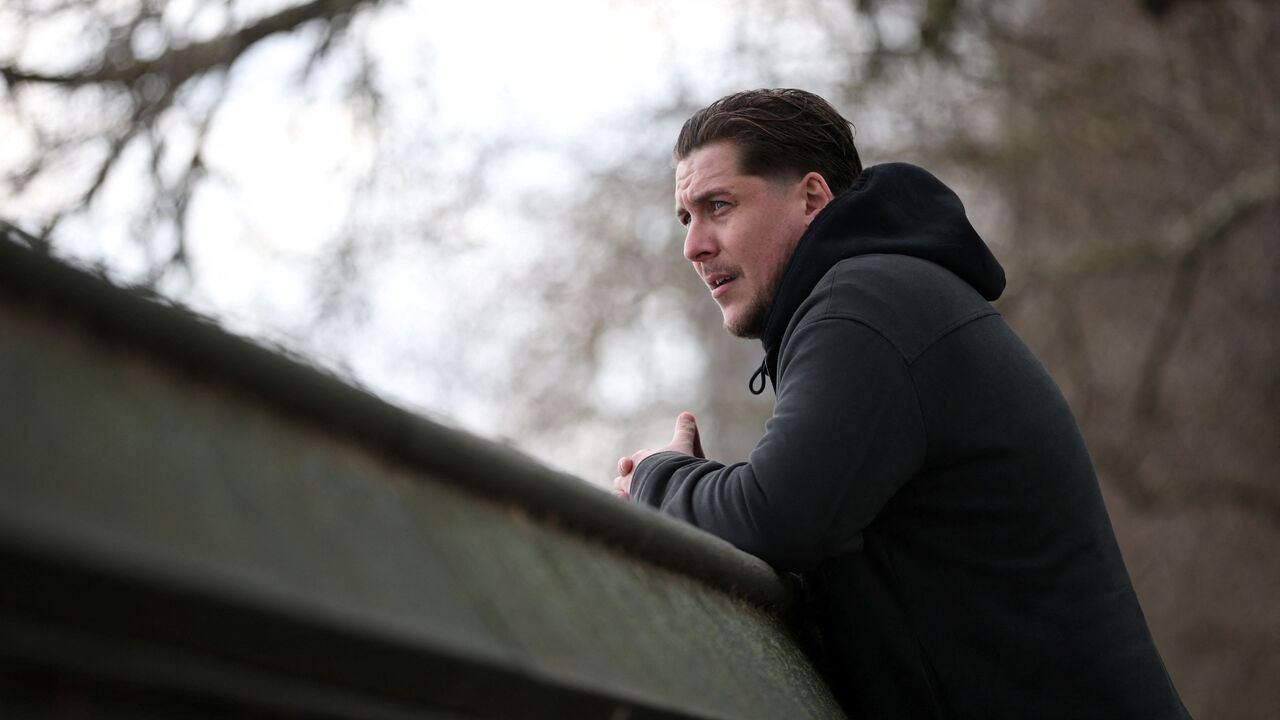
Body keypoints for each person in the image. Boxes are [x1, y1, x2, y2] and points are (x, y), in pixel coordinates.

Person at [612, 89, 1189, 719]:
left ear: (811, 197)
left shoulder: (863, 308)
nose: (694, 246)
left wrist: (658, 481)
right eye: (685, 219)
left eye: (717, 207)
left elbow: (778, 518)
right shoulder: (881, 297)